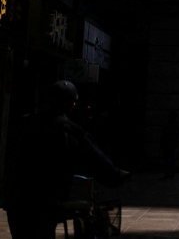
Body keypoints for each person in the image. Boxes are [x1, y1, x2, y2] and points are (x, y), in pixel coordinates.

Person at [5, 81, 129, 239]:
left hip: (16, 201)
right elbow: (99, 164)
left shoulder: (25, 124)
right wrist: (119, 175)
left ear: (46, 100)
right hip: (45, 205)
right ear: (72, 105)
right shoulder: (72, 132)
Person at [161, 110, 179, 180]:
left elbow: (164, 134)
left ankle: (168, 173)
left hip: (168, 143)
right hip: (172, 143)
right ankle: (171, 173)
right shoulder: (176, 124)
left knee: (168, 159)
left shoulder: (169, 124)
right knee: (171, 159)